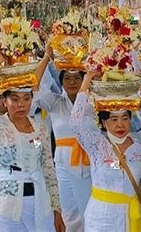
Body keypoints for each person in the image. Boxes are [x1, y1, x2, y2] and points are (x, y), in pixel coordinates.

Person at [0, 53, 65, 232]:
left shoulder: (41, 129)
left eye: (26, 99)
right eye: (15, 100)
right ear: (5, 101)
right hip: (8, 207)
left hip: (40, 204)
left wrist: (57, 210)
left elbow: (48, 168)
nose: (21, 105)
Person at [69, 72, 141, 231]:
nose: (120, 125)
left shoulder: (138, 148)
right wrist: (86, 83)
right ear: (103, 122)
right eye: (114, 119)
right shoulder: (97, 144)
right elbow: (75, 123)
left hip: (132, 218)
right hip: (100, 220)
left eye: (125, 118)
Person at [33, 45, 95, 232]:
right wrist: (46, 57)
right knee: (68, 211)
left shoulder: (92, 104)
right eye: (67, 78)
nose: (72, 82)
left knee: (88, 208)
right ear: (61, 81)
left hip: (87, 160)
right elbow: (34, 84)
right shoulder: (55, 102)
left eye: (77, 78)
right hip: (61, 163)